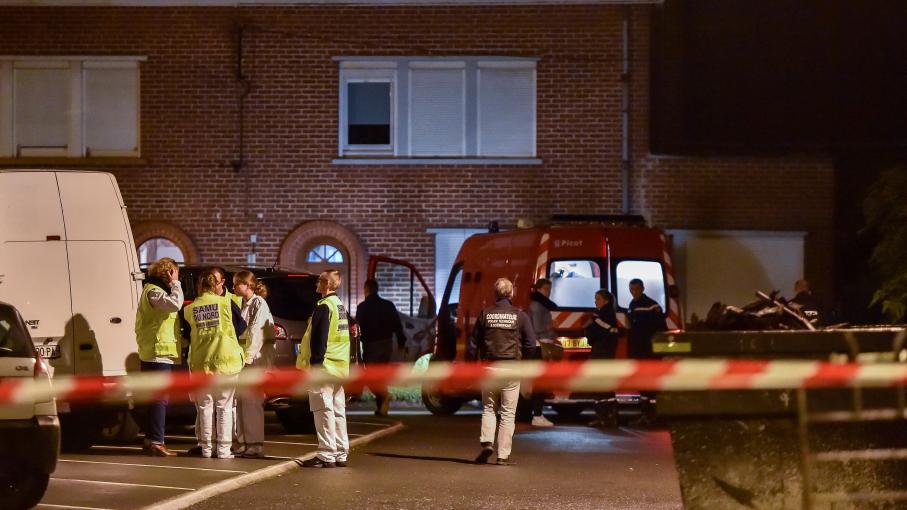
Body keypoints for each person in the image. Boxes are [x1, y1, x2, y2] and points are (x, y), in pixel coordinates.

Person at [469, 277, 536, 466]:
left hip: (489, 367)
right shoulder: (520, 316)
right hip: (512, 368)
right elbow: (531, 343)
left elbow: (473, 343)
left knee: (489, 407)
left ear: (495, 294)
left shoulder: (485, 314)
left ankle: (487, 442)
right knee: (508, 413)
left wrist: (472, 364)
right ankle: (503, 455)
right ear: (511, 294)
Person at [183, 269, 247, 459]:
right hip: (227, 362)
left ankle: (206, 449)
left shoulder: (189, 309)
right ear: (215, 285)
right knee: (225, 408)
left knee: (204, 407)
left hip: (201, 363)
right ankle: (224, 450)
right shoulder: (227, 302)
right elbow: (241, 327)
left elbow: (187, 334)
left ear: (200, 286)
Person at [297, 270, 351, 468]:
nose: (316, 285)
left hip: (325, 367)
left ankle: (327, 453)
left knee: (322, 410)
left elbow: (319, 341)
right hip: (339, 367)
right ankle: (340, 452)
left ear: (326, 283)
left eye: (319, 281)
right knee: (338, 411)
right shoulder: (340, 306)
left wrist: (315, 366)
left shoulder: (324, 307)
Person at [134, 257, 183, 457]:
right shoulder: (154, 291)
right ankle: (156, 441)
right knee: (159, 399)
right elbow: (175, 305)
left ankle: (150, 439)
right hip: (157, 353)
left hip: (157, 352)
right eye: (174, 273)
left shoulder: (154, 290)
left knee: (156, 398)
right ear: (169, 273)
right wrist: (176, 284)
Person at [232, 271, 276, 458]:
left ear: (247, 285)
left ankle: (255, 445)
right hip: (244, 360)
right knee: (241, 402)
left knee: (251, 403)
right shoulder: (243, 303)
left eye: (236, 284)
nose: (233, 288)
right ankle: (243, 443)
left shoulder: (259, 304)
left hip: (255, 360)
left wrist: (247, 359)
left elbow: (256, 334)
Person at [355, 278, 406, 417]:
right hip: (386, 344)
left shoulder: (362, 307)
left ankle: (384, 395)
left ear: (366, 290)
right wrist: (402, 341)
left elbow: (357, 328)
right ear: (377, 290)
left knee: (371, 377)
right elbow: (397, 325)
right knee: (380, 376)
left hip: (371, 345)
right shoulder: (388, 305)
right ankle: (381, 409)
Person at [585, 289, 620, 427]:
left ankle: (603, 417)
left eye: (598, 298)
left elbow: (591, 331)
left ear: (606, 301)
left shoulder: (601, 316)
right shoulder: (609, 315)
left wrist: (589, 330)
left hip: (601, 353)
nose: (595, 301)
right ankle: (609, 416)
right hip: (606, 353)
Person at [526, 278, 556, 427]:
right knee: (540, 383)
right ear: (538, 289)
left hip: (538, 346)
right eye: (546, 289)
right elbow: (538, 328)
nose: (548, 293)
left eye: (549, 290)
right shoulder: (538, 306)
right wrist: (551, 330)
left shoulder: (537, 304)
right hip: (540, 346)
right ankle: (537, 415)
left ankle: (537, 414)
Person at [627, 278, 667, 359]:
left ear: (643, 289)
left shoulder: (652, 305)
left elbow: (660, 326)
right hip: (636, 344)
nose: (634, 292)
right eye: (632, 289)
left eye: (637, 288)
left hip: (648, 345)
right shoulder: (632, 304)